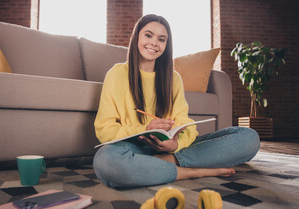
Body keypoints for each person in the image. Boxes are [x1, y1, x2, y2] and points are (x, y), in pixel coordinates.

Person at [93, 14, 260, 188]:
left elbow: (185, 122)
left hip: (173, 149)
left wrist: (174, 145)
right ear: (137, 37)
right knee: (105, 160)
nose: (154, 43)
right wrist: (144, 129)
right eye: (148, 35)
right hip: (131, 148)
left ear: (166, 45)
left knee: (249, 137)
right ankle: (189, 171)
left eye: (161, 39)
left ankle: (167, 161)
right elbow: (104, 130)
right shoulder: (117, 73)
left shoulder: (173, 78)